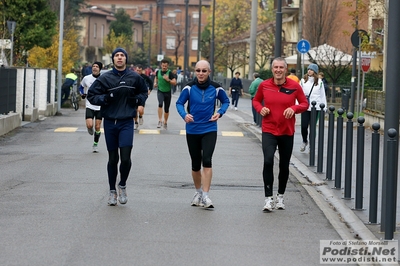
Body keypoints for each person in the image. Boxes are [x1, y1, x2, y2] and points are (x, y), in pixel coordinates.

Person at [87, 47, 148, 206]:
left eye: (122, 55)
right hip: (110, 122)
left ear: (126, 59)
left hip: (126, 121)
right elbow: (92, 96)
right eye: (117, 56)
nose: (120, 58)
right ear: (113, 60)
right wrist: (105, 99)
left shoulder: (134, 77)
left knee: (126, 159)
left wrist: (138, 102)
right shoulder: (105, 78)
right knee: (113, 159)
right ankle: (112, 191)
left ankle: (122, 185)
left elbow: (144, 91)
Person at [252, 57, 308, 212]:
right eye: (275, 67)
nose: (278, 70)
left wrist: (294, 109)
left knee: (284, 165)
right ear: (272, 69)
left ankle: (280, 196)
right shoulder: (264, 85)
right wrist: (260, 109)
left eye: (281, 67)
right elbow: (256, 101)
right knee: (268, 161)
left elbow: (304, 104)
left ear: (285, 69)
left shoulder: (294, 86)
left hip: (286, 131)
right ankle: (268, 199)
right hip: (269, 130)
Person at [176, 60, 230, 208]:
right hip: (192, 129)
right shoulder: (189, 87)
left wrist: (220, 112)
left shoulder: (216, 88)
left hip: (209, 129)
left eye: (204, 71)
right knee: (195, 164)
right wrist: (184, 115)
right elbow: (179, 103)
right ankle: (198, 192)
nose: (200, 73)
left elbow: (225, 102)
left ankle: (206, 196)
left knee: (207, 160)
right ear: (195, 71)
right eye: (198, 70)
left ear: (209, 72)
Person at [299, 64, 327, 152]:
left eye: (311, 69)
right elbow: (299, 93)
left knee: (313, 127)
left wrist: (324, 107)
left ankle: (312, 144)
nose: (309, 71)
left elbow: (322, 95)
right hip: (305, 107)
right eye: (308, 69)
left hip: (316, 107)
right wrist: (297, 105)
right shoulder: (303, 81)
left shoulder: (320, 82)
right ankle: (304, 141)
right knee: (304, 126)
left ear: (315, 71)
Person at [78, 62, 103, 152]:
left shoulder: (103, 79)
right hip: (90, 104)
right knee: (90, 125)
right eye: (93, 66)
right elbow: (81, 87)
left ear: (100, 69)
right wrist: (82, 94)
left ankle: (95, 144)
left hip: (100, 106)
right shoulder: (86, 78)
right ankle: (89, 128)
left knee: (97, 127)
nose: (95, 68)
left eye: (97, 67)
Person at [153, 59, 177, 129]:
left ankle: (165, 121)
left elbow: (175, 82)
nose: (164, 67)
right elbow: (156, 78)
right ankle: (160, 120)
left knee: (166, 109)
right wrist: (155, 83)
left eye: (165, 66)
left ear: (168, 66)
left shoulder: (170, 73)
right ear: (161, 65)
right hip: (160, 91)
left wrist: (168, 80)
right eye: (163, 66)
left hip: (167, 92)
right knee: (160, 104)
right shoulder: (158, 72)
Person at [134, 64, 153, 130]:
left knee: (140, 109)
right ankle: (136, 123)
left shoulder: (145, 77)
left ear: (142, 70)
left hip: (142, 94)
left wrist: (150, 89)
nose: (138, 72)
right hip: (134, 94)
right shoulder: (133, 76)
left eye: (139, 70)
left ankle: (141, 116)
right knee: (135, 110)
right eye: (137, 70)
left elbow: (151, 83)